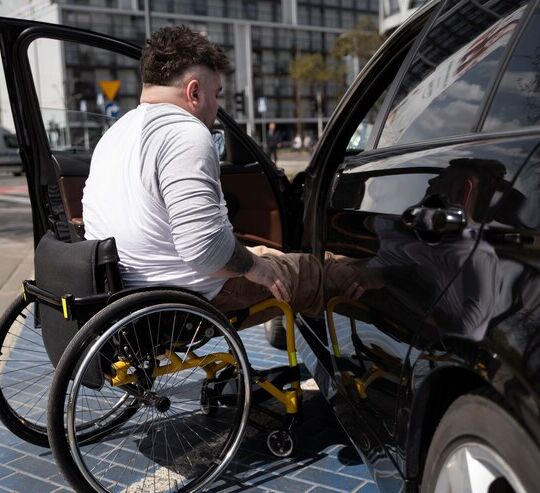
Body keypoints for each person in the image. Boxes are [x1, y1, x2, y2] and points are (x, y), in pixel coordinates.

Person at [82, 26, 363, 328]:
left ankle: (283, 324)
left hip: (129, 295)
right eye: (216, 95)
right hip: (189, 296)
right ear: (194, 92)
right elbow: (203, 250)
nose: (216, 108)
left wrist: (255, 261)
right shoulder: (183, 133)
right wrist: (256, 268)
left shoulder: (115, 134)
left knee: (270, 255)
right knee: (318, 271)